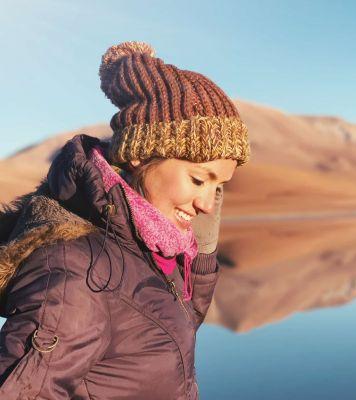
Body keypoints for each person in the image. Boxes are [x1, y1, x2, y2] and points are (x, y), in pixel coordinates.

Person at [0, 41, 250, 399]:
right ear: (141, 156)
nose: (209, 205)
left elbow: (164, 324)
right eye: (198, 179)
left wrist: (202, 254)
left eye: (219, 187)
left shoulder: (148, 244)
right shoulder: (76, 273)